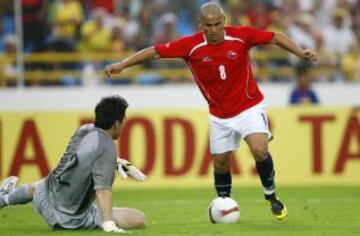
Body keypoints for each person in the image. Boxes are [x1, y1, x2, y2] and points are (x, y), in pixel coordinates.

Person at [104, 2, 317, 221]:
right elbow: (154, 52)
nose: (214, 29)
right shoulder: (190, 46)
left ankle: (271, 196)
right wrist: (123, 64)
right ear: (200, 24)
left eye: (218, 24)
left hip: (249, 107)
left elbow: (275, 37)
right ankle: (224, 204)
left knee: (259, 148)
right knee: (221, 163)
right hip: (219, 115)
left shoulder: (241, 36)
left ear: (224, 21)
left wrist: (300, 53)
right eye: (209, 25)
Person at [0, 95, 146, 233]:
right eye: (124, 121)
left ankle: (5, 198)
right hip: (70, 219)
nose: (124, 124)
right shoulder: (108, 147)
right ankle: (99, 218)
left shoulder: (84, 130)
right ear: (116, 124)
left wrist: (115, 161)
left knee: (41, 185)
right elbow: (102, 190)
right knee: (139, 218)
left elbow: (87, 156)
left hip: (46, 197)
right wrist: (108, 223)